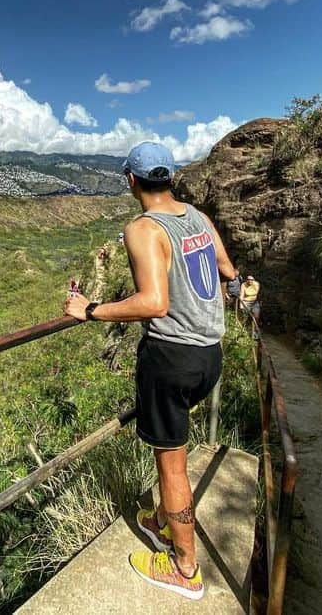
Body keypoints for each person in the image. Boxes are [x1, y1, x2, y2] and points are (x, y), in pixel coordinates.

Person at [64, 141, 237, 600]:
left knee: (172, 466)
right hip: (209, 354)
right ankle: (161, 521)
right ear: (170, 177)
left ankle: (184, 567)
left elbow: (153, 302)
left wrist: (91, 309)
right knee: (173, 450)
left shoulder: (142, 228)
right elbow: (225, 268)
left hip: (171, 358)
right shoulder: (196, 217)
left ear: (130, 181)